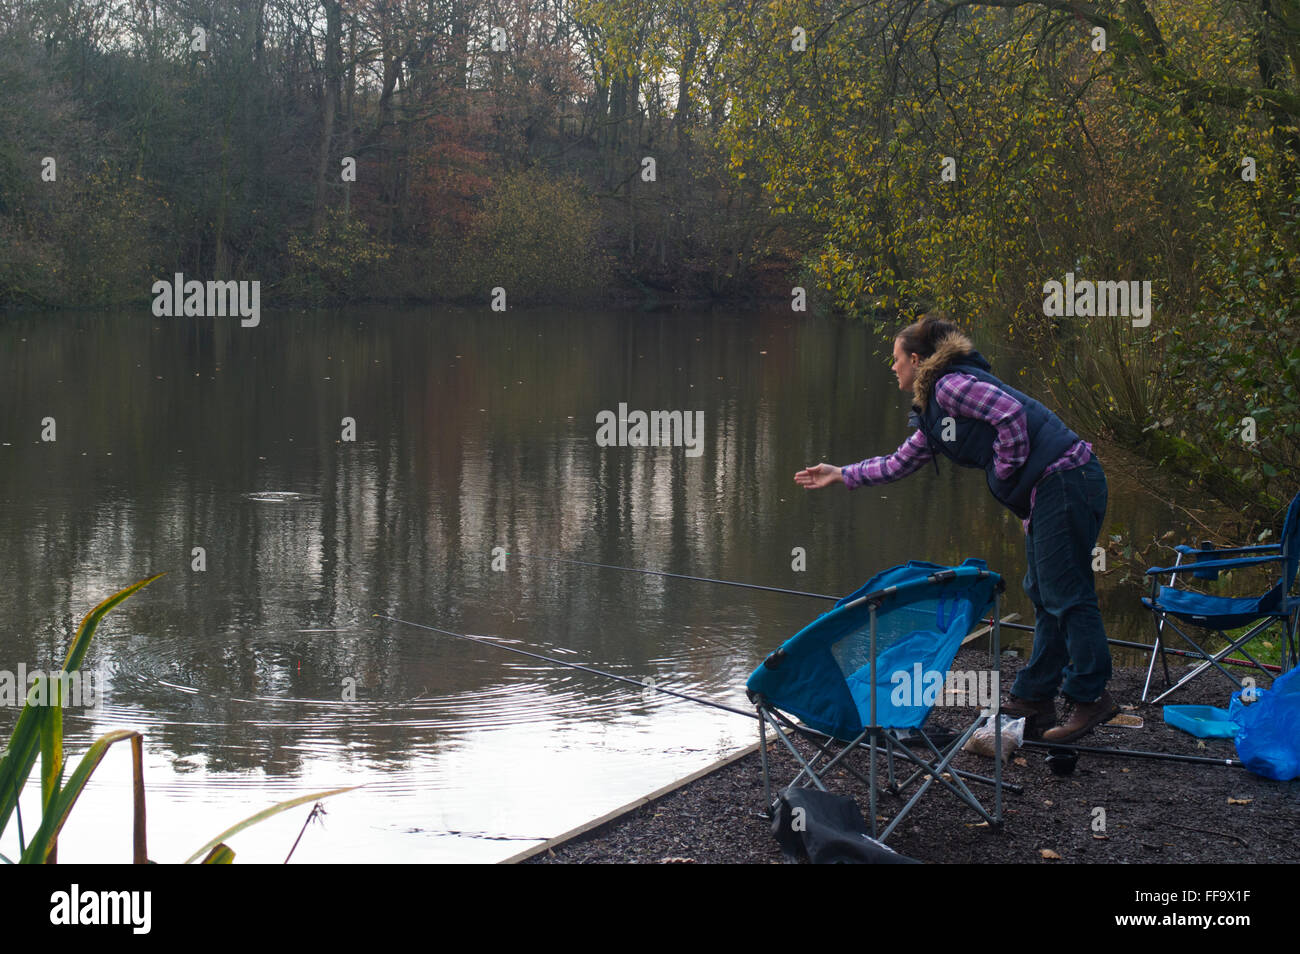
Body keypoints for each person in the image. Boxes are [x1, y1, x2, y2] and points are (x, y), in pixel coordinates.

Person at [794, 314, 1118, 742]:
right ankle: (1036, 697)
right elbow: (898, 463)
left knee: (1067, 593)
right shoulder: (934, 413)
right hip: (1053, 490)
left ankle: (1090, 697)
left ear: (915, 359)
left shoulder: (949, 385)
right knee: (1043, 591)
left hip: (1067, 480)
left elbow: (1011, 417)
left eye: (895, 359)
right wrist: (841, 473)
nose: (892, 368)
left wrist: (1006, 476)